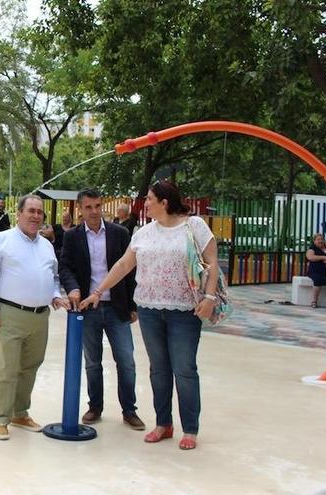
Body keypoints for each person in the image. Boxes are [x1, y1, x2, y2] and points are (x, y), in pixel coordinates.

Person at [79, 180, 218, 451]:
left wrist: (209, 297)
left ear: (165, 202)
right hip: (149, 309)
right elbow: (123, 265)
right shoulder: (144, 233)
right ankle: (163, 423)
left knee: (185, 369)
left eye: (150, 199)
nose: (146, 204)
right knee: (159, 369)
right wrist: (98, 292)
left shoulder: (195, 226)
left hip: (184, 310)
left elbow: (212, 262)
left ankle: (190, 429)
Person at [0, 195, 70, 441]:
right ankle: (1, 419)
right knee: (8, 368)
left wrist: (55, 295)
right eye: (30, 211)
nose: (35, 216)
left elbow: (52, 277)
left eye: (39, 212)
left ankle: (20, 413)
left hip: (40, 316)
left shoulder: (47, 245)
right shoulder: (2, 240)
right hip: (9, 314)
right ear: (19, 213)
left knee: (30, 366)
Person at [59, 189, 144, 431]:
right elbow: (65, 268)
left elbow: (130, 271)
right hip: (88, 309)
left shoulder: (120, 234)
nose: (94, 211)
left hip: (117, 308)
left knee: (126, 360)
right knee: (92, 362)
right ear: (80, 209)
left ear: (102, 207)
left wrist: (133, 305)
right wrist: (73, 289)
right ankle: (95, 406)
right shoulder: (73, 237)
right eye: (88, 207)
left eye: (97, 206)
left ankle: (129, 410)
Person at [307, 233, 326, 307]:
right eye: (318, 239)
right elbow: (310, 257)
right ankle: (314, 301)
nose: (320, 241)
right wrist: (323, 257)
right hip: (314, 272)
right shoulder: (312, 248)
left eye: (322, 239)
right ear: (314, 241)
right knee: (318, 280)